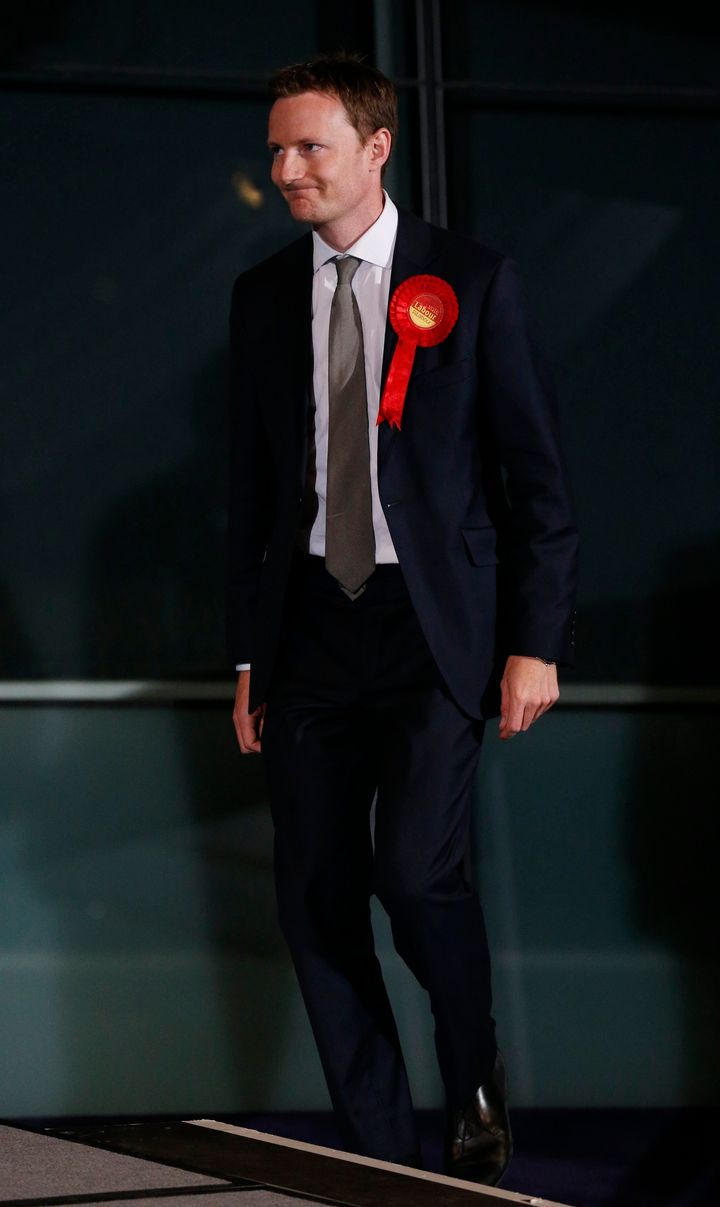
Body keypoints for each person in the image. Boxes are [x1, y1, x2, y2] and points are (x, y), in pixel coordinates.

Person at [227, 54, 578, 1185]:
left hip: (436, 629)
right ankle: (381, 1154)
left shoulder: (472, 280)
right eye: (277, 149)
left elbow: (538, 483)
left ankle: (471, 1069)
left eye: (309, 147)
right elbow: (251, 496)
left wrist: (536, 641)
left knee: (416, 876)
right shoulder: (263, 295)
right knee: (314, 894)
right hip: (310, 632)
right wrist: (249, 654)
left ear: (377, 148)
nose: (286, 169)